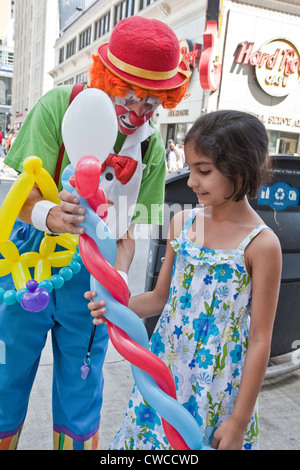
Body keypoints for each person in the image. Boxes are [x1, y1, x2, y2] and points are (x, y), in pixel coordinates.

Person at [0, 16, 191, 450]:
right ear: (108, 78)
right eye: (131, 96)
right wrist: (51, 214)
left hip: (92, 280)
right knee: (4, 383)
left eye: (152, 102)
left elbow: (129, 232)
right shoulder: (58, 106)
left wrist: (116, 279)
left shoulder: (150, 147)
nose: (139, 111)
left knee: (81, 394)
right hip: (31, 264)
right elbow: (21, 197)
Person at [86, 110, 282, 450]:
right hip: (166, 370)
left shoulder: (262, 245)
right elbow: (161, 298)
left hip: (217, 385)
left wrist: (237, 421)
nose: (191, 181)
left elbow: (261, 340)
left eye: (203, 171)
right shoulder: (184, 224)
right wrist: (116, 308)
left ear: (239, 169)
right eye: (190, 169)